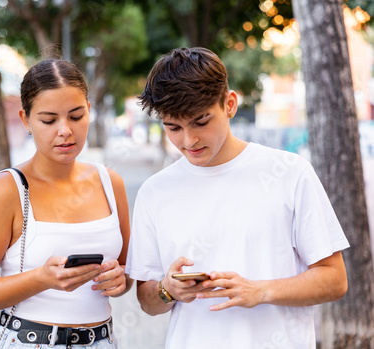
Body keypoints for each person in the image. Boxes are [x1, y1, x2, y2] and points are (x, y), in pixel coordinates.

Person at [125, 47, 349, 348]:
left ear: (229, 104)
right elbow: (148, 301)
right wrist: (167, 289)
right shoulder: (155, 191)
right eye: (173, 127)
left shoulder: (289, 173)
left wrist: (260, 291)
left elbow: (334, 280)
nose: (188, 140)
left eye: (201, 122)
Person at [0, 59, 132, 349]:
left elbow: (126, 272)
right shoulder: (6, 190)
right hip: (28, 341)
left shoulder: (110, 183)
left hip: (102, 340)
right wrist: (42, 278)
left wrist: (119, 280)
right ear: (26, 120)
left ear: (89, 109)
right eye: (49, 120)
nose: (65, 130)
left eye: (76, 116)